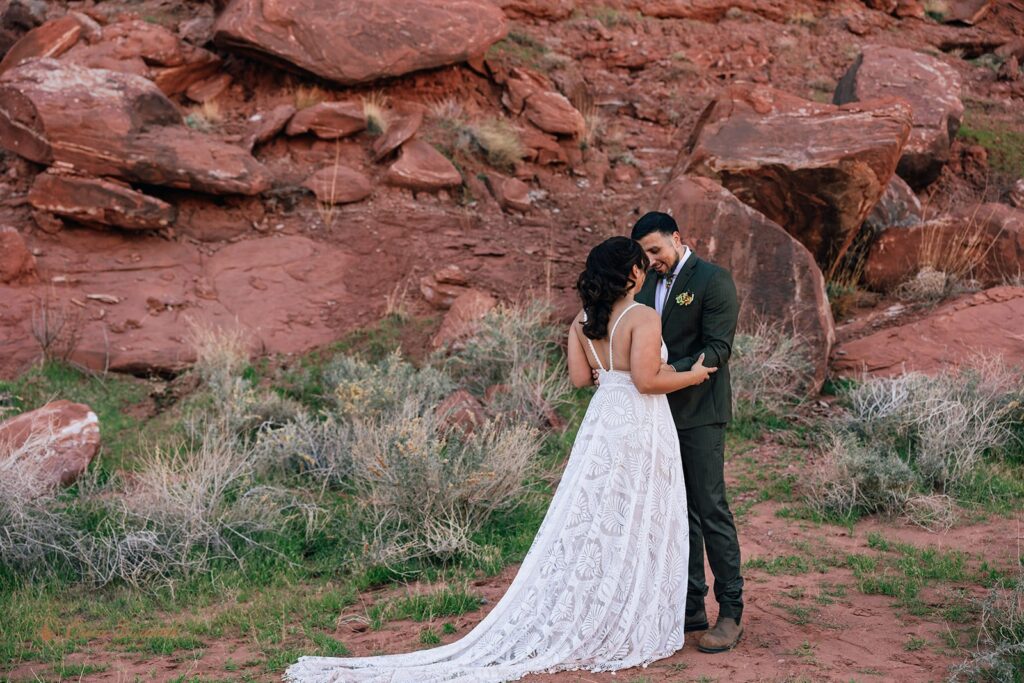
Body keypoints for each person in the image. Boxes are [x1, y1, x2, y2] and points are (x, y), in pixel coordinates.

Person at [284, 236, 717, 682]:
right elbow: (646, 381)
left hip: (604, 420)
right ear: (631, 274)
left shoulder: (582, 320)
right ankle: (627, 611)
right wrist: (692, 375)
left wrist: (615, 372)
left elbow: (578, 379)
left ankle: (596, 602)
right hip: (641, 424)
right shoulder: (642, 316)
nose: (645, 272)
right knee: (637, 513)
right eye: (640, 266)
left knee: (598, 513)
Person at [630, 210, 745, 654]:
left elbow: (717, 349)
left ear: (678, 237)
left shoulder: (713, 280)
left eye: (657, 250)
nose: (652, 260)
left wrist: (663, 371)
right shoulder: (644, 286)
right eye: (645, 254)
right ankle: (691, 605)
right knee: (678, 510)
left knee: (710, 506)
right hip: (656, 412)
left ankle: (731, 612)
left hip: (700, 411)